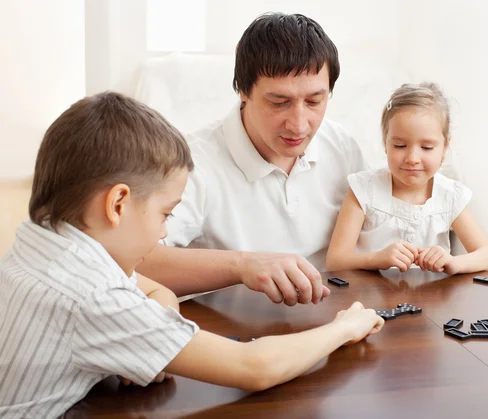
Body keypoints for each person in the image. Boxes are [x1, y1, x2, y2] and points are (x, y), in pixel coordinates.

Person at [0, 92, 384, 418]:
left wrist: (151, 337)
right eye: (165, 214)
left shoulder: (45, 239)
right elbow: (255, 367)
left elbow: (151, 290)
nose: (165, 230)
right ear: (118, 204)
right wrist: (343, 328)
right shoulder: (94, 297)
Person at [137, 12, 367, 305]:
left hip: (333, 321)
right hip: (233, 337)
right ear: (243, 91)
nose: (299, 124)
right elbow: (136, 262)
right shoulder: (191, 163)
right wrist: (242, 266)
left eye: (314, 101)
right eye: (279, 102)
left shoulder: (342, 146)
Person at [326, 83, 488, 274]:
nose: (412, 159)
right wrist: (377, 258)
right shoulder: (364, 190)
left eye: (427, 148)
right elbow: (335, 261)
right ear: (385, 143)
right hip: (369, 300)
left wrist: (452, 262)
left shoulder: (449, 196)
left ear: (445, 147)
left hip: (429, 302)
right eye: (400, 145)